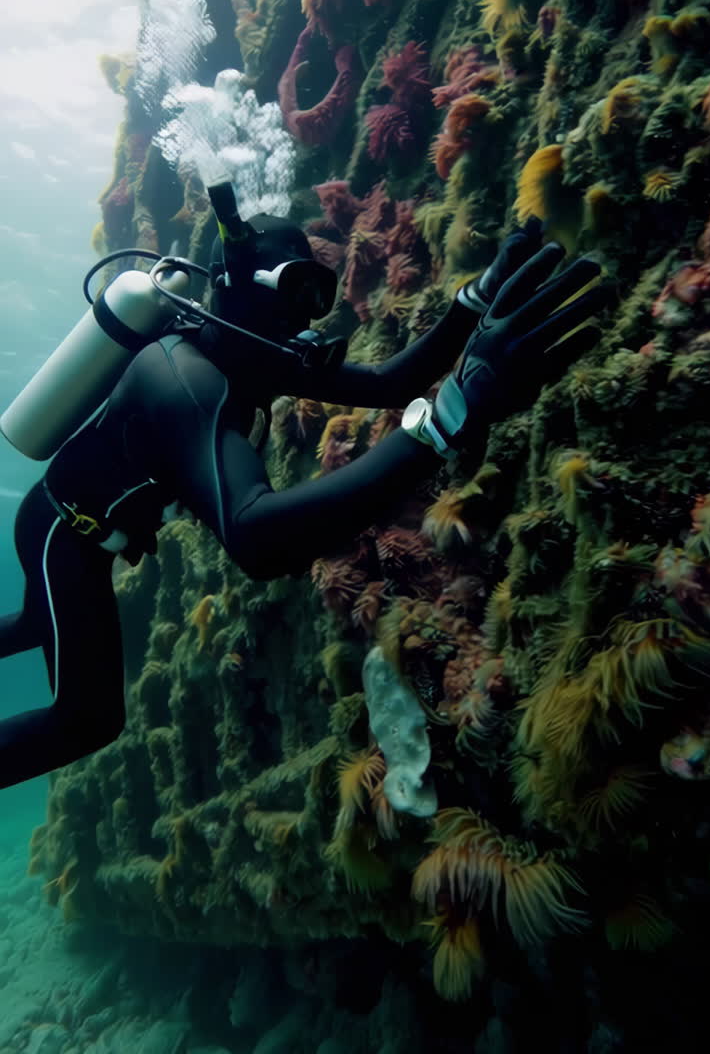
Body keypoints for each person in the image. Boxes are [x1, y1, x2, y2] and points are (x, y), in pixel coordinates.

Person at [0, 204, 605, 789]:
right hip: (66, 535)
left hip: (77, 523)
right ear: (241, 285)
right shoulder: (181, 380)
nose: (307, 313)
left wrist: (472, 302)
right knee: (88, 722)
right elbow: (256, 538)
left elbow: (387, 381)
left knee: (35, 623)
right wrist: (447, 420)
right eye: (296, 288)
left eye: (319, 290)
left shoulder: (250, 347)